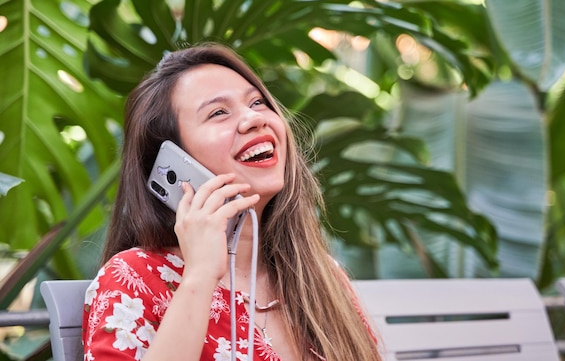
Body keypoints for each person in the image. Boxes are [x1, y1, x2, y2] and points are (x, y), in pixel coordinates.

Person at [82, 43, 382, 361]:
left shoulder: (321, 276)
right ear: (172, 162)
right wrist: (200, 276)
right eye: (218, 112)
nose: (253, 119)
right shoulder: (136, 278)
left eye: (257, 102)